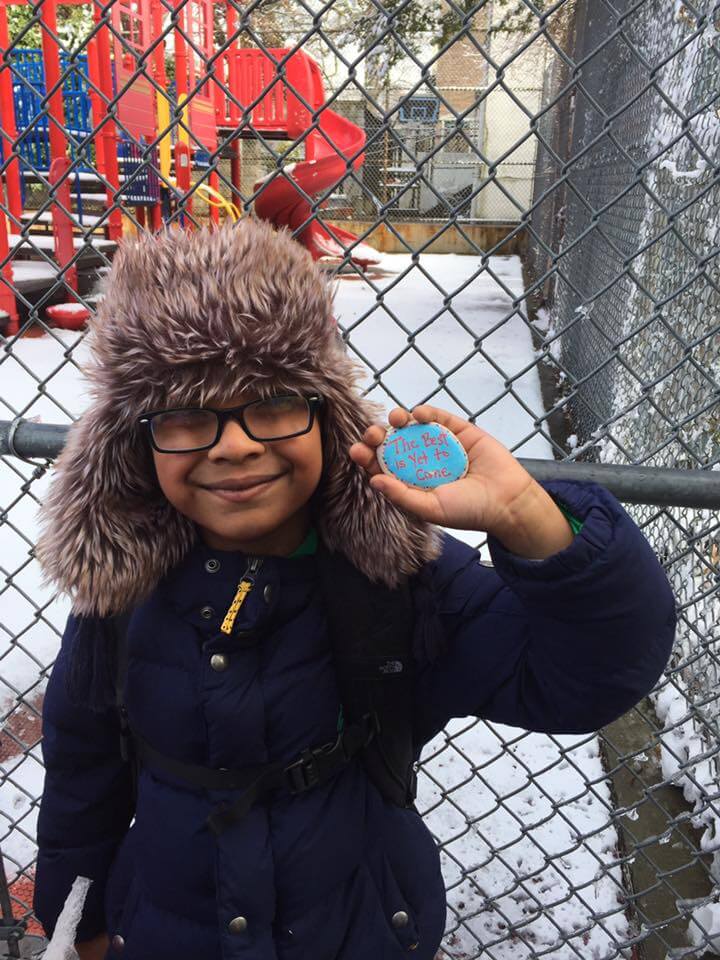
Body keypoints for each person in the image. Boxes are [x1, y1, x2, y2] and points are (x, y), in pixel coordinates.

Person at [33, 219, 676, 960]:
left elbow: (586, 680)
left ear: (328, 417)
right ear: (135, 443)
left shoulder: (399, 577)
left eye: (273, 402)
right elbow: (83, 769)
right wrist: (75, 923)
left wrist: (529, 517)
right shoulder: (124, 594)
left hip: (360, 928)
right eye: (185, 416)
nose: (235, 445)